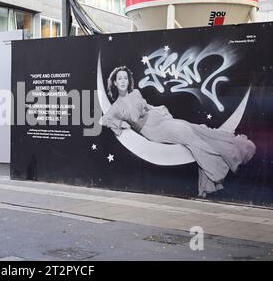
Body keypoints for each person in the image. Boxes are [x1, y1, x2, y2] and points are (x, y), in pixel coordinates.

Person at [101, 66, 256, 198]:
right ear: (114, 82)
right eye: (119, 79)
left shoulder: (135, 93)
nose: (122, 81)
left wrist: (159, 110)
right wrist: (121, 124)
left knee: (197, 130)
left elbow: (147, 106)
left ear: (128, 80)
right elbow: (103, 120)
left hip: (159, 118)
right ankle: (222, 165)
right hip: (153, 130)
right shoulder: (115, 106)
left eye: (125, 78)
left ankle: (222, 165)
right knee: (192, 138)